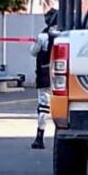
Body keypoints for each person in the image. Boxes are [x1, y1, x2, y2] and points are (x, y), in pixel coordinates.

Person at [29, 8, 58, 150]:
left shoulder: (42, 36)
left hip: (45, 74)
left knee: (43, 107)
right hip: (61, 76)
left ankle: (40, 137)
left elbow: (33, 51)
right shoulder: (66, 34)